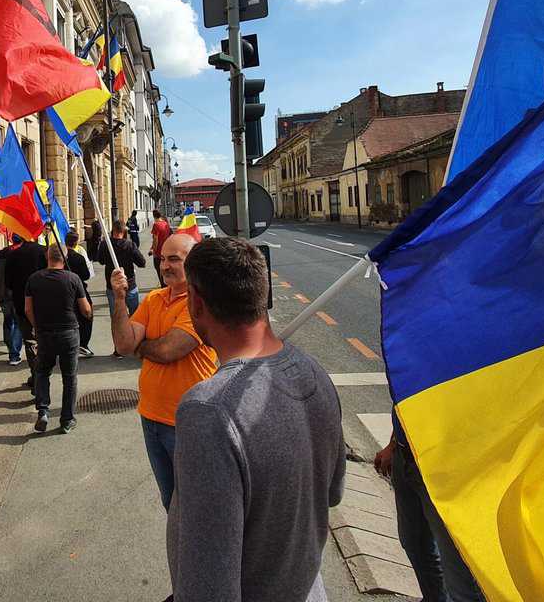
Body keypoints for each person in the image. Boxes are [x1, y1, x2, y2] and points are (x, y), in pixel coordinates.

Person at [169, 237, 347, 602]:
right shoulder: (315, 372)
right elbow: (333, 493)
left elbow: (210, 586)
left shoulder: (208, 411)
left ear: (197, 303)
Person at [108, 233, 217, 510]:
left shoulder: (202, 304)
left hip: (186, 422)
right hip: (151, 417)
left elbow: (169, 351)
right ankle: (181, 552)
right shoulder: (154, 298)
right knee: (171, 501)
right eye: (162, 259)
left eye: (174, 260)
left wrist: (139, 347)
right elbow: (123, 344)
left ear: (192, 264)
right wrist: (119, 299)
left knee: (195, 505)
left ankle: (198, 552)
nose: (165, 266)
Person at [375, 422, 487, 602]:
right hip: (404, 456)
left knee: (459, 576)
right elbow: (405, 403)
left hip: (443, 471)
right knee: (414, 543)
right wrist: (393, 443)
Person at [24, 245, 92, 434]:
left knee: (42, 372)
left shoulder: (34, 279)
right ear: (66, 256)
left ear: (47, 256)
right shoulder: (73, 278)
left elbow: (28, 309)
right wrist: (89, 314)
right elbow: (85, 309)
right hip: (69, 332)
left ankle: (43, 411)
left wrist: (36, 327)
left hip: (44, 332)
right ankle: (67, 419)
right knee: (69, 377)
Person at [1, 234, 48, 387]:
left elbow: (8, 283)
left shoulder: (13, 255)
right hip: (45, 304)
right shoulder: (44, 251)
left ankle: (36, 376)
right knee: (45, 341)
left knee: (30, 341)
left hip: (21, 304)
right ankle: (41, 377)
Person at [98, 219, 147, 320]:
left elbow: (101, 261)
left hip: (112, 285)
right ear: (124, 231)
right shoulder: (130, 245)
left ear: (113, 230)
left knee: (116, 317)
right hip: (129, 284)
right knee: (135, 316)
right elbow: (142, 263)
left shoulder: (105, 244)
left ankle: (119, 334)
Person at [0, 240, 23, 366]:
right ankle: (14, 354)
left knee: (8, 321)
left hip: (3, 294)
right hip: (16, 294)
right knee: (17, 323)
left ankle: (10, 346)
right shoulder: (21, 254)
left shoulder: (0, 254)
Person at [63, 230, 95, 357]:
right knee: (87, 315)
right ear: (76, 242)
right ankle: (83, 344)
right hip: (78, 290)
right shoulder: (78, 257)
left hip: (64, 290)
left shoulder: (62, 256)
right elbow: (86, 275)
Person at [149, 209, 172, 284]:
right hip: (166, 251)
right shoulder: (166, 224)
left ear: (154, 216)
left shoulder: (156, 225)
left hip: (158, 253)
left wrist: (153, 250)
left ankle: (163, 287)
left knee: (159, 271)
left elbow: (155, 240)